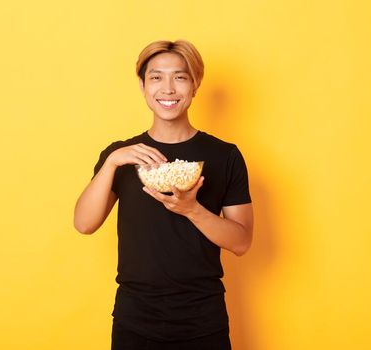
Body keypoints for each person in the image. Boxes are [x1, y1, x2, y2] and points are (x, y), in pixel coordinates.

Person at [73, 40, 254, 350]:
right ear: (143, 86)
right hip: (135, 318)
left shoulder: (225, 156)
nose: (168, 88)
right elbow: (84, 223)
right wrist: (113, 161)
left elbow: (241, 242)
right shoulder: (121, 156)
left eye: (180, 77)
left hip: (203, 318)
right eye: (156, 77)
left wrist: (192, 209)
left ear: (195, 84)